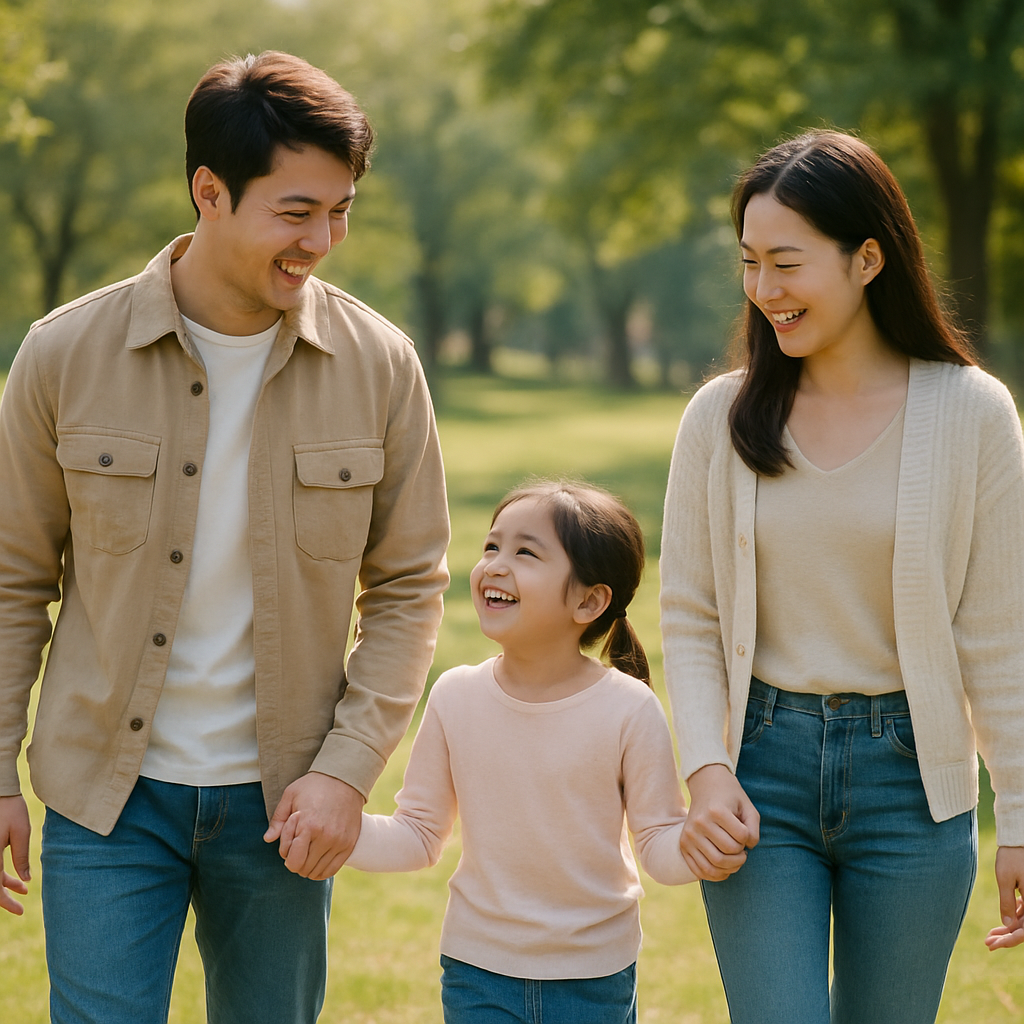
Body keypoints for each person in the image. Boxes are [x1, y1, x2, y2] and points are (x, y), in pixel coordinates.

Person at [0, 51, 449, 1024]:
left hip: (284, 807)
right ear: (210, 191)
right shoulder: (63, 355)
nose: (324, 240)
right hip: (104, 801)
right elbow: (11, 580)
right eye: (297, 212)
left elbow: (411, 587)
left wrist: (344, 774)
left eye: (341, 210)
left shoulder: (380, 366)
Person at [660, 129, 1024, 1024]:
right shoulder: (721, 417)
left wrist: (1018, 815)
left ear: (868, 259)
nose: (764, 291)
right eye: (749, 263)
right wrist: (707, 771)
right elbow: (691, 616)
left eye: (787, 263)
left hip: (913, 786)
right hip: (759, 779)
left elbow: (999, 634)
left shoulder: (972, 412)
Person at [334, 481, 694, 1023]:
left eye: (525, 552)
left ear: (589, 600)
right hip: (477, 972)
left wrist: (706, 844)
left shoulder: (629, 708)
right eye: (491, 547)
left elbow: (660, 843)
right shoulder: (456, 696)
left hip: (593, 978)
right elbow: (418, 835)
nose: (495, 566)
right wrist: (335, 828)